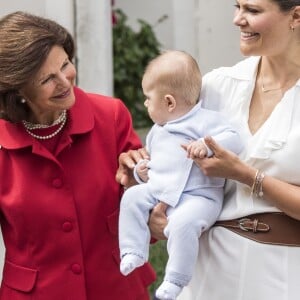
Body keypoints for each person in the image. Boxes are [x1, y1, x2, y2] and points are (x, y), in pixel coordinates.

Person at [116, 0, 300, 299]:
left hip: (285, 272)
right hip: (209, 270)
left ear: (295, 15)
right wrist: (142, 171)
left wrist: (244, 174)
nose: (238, 19)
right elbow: (172, 159)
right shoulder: (216, 87)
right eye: (237, 6)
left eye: (252, 10)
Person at [0, 11, 156, 300]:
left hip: (116, 288)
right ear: (18, 89)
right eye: (47, 78)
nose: (65, 81)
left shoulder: (110, 116)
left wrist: (136, 182)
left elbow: (150, 210)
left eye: (66, 65)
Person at [118, 50, 243, 300]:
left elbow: (234, 139)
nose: (145, 104)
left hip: (199, 198)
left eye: (148, 98)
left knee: (183, 225)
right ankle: (133, 250)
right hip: (160, 190)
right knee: (131, 198)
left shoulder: (205, 121)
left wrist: (207, 145)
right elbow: (155, 164)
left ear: (169, 102)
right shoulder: (157, 131)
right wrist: (142, 174)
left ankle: (176, 279)